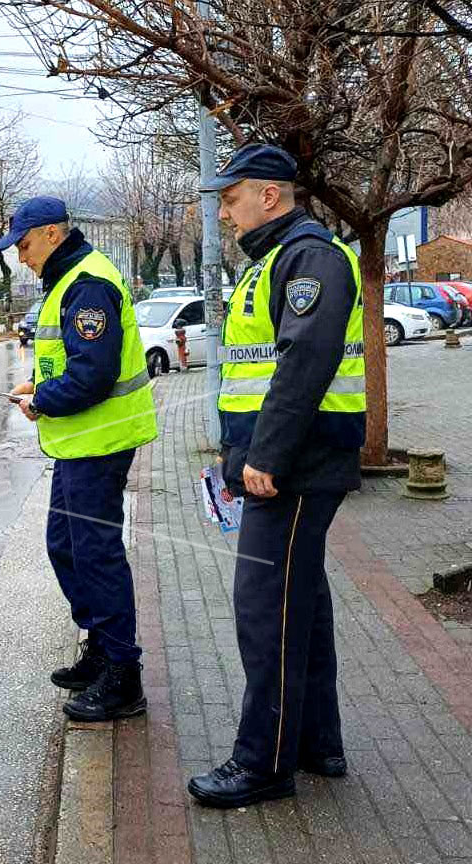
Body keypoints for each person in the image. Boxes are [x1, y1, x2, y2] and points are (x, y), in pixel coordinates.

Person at [186, 144, 365, 809]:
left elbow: (302, 364)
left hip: (290, 469)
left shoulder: (308, 256)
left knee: (265, 613)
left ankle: (262, 761)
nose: (224, 213)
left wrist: (264, 457)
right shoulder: (278, 259)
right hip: (288, 463)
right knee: (302, 606)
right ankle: (317, 741)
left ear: (268, 194)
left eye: (229, 198)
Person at [0, 196, 158, 722]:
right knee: (65, 546)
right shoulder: (69, 278)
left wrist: (42, 401)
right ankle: (101, 646)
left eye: (23, 244)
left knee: (95, 554)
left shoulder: (86, 283)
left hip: (101, 442)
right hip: (79, 445)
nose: (20, 256)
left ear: (49, 234)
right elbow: (73, 362)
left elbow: (94, 374)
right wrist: (39, 384)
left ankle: (122, 672)